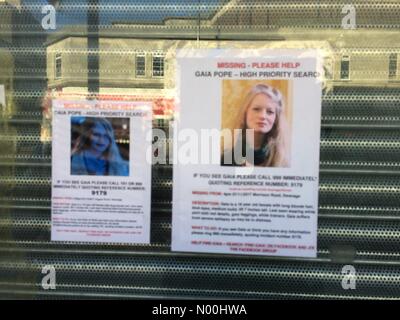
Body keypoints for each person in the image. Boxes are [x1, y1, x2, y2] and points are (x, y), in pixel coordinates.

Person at [221, 84, 289, 167]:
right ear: (245, 113)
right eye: (256, 109)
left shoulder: (283, 160)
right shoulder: (227, 159)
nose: (263, 116)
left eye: (270, 112)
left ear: (276, 119)